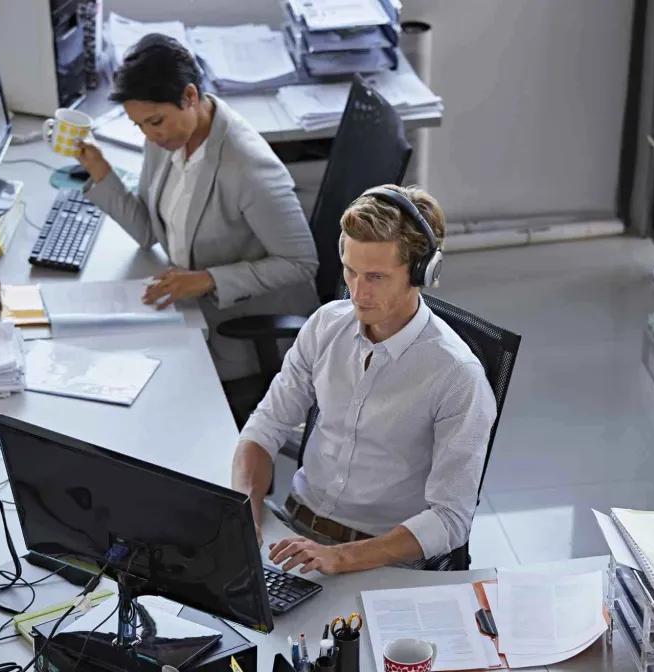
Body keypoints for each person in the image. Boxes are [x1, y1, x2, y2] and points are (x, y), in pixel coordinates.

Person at [231, 185, 497, 575]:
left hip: (379, 561)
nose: (358, 292)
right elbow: (266, 425)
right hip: (294, 533)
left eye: (376, 276)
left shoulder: (457, 376)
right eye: (351, 271)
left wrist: (341, 557)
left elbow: (451, 519)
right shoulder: (326, 325)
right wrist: (244, 513)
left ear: (423, 272)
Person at [77, 34, 319, 382]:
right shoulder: (169, 136)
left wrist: (207, 280)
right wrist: (100, 170)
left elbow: (301, 264)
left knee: (142, 380)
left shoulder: (248, 168)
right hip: (188, 306)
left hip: (246, 327)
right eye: (139, 125)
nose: (148, 136)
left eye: (154, 121)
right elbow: (148, 232)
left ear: (190, 96)